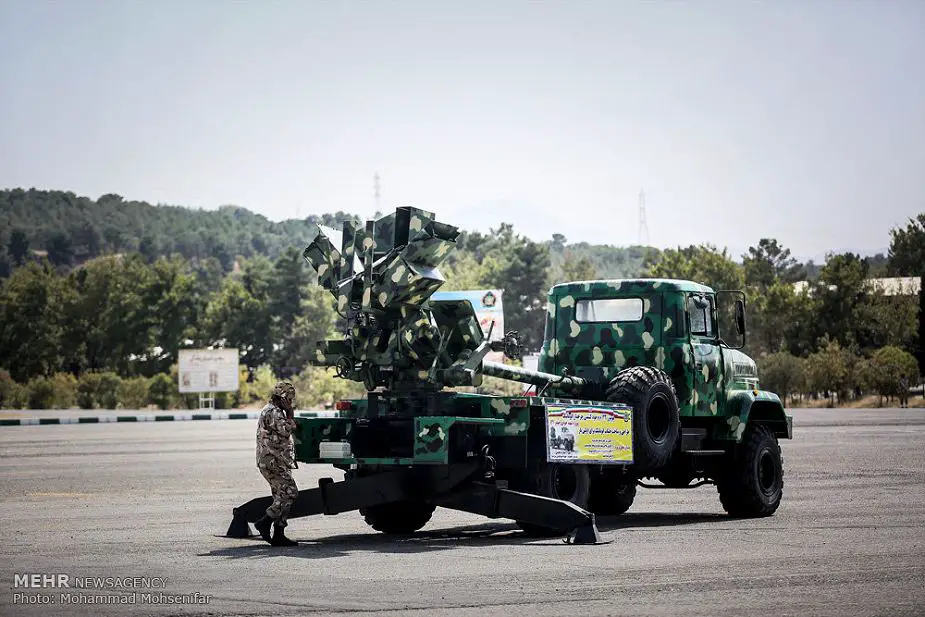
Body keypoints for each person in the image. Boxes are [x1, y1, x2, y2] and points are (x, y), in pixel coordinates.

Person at [253, 381, 299, 546]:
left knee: (281, 496)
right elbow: (286, 429)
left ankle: (279, 534)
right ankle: (264, 522)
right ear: (284, 398)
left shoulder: (271, 410)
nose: (291, 402)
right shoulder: (274, 412)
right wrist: (290, 414)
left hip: (274, 460)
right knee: (291, 492)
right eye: (290, 400)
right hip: (272, 461)